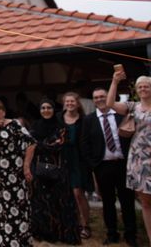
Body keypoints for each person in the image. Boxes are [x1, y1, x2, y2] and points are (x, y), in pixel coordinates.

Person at [81, 86, 137, 246]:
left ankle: (130, 234)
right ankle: (112, 233)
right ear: (93, 100)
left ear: (109, 97)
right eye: (96, 97)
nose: (99, 99)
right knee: (108, 202)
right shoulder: (89, 120)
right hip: (102, 167)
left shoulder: (121, 115)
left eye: (102, 96)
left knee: (127, 201)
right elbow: (84, 145)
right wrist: (94, 165)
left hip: (123, 165)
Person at [0, 98, 35, 247]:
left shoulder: (14, 124)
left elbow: (31, 143)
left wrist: (26, 166)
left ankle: (18, 241)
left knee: (16, 207)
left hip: (14, 175)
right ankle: (0, 241)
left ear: (4, 111)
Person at [107, 71, 151, 244]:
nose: (143, 89)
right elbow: (110, 103)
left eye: (146, 86)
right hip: (139, 159)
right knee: (146, 203)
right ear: (136, 90)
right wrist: (114, 82)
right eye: (140, 87)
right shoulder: (133, 107)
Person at [29, 99, 80, 244]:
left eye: (49, 107)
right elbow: (30, 144)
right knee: (41, 203)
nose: (46, 110)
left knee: (59, 202)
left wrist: (39, 144)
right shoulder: (35, 125)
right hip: (38, 169)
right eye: (43, 107)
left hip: (58, 170)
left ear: (54, 109)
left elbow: (57, 145)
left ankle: (61, 234)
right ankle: (44, 233)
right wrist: (44, 144)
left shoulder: (60, 126)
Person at [60, 91, 92, 239]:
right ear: (64, 103)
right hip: (62, 159)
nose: (70, 104)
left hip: (78, 161)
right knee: (65, 194)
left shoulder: (84, 120)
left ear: (78, 103)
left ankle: (85, 225)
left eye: (72, 101)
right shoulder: (58, 119)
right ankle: (71, 223)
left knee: (78, 194)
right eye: (67, 102)